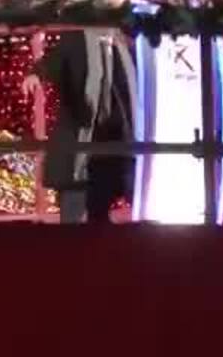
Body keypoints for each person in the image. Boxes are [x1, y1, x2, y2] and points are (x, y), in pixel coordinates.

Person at [24, 25, 138, 224]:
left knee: (101, 205)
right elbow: (55, 58)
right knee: (72, 206)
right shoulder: (77, 40)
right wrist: (36, 73)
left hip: (112, 139)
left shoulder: (124, 46)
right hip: (79, 133)